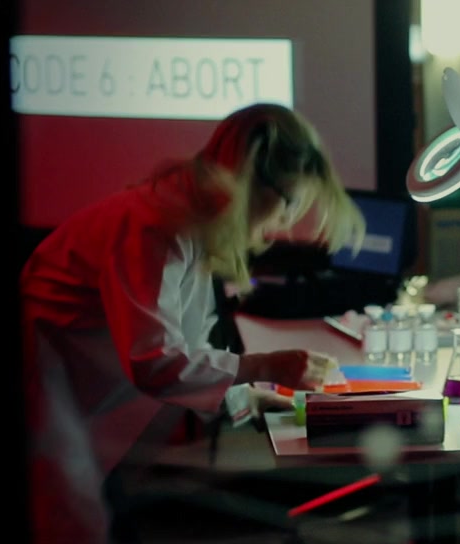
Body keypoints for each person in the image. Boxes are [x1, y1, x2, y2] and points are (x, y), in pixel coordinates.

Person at [20, 103, 366, 543]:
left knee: (91, 515)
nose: (282, 224)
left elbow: (187, 351)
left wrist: (249, 399)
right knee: (74, 524)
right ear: (252, 180)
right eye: (288, 204)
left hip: (77, 391)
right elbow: (155, 361)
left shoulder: (191, 222)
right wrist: (263, 366)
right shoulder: (155, 224)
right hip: (44, 383)